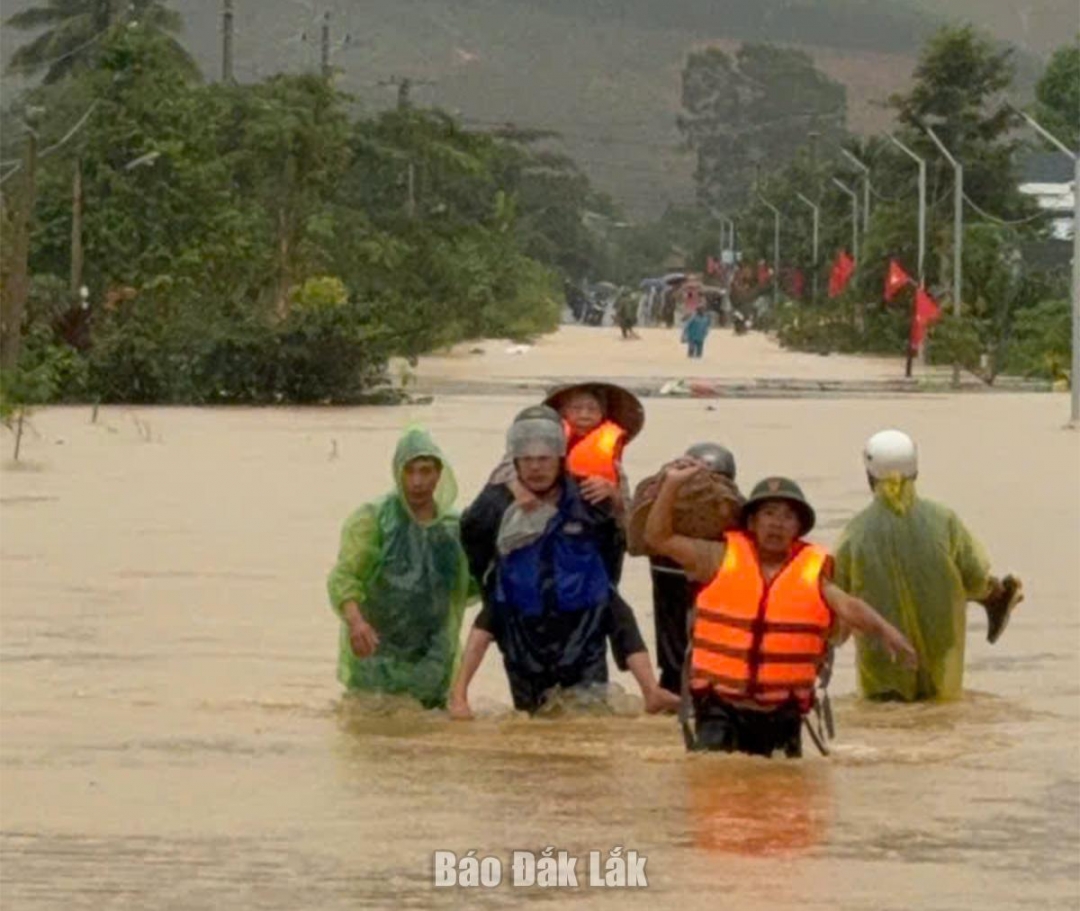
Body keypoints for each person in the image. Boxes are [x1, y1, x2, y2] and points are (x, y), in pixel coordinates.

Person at [644, 468, 917, 757]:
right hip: (719, 707)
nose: (777, 524)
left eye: (788, 516)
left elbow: (848, 606)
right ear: (751, 521)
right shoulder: (717, 558)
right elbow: (658, 539)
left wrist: (886, 631)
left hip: (781, 714)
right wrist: (672, 485)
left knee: (783, 794)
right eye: (769, 513)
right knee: (712, 780)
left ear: (798, 528)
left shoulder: (812, 573)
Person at [449, 406, 676, 718]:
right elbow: (473, 542)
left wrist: (616, 499)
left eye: (544, 459)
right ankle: (458, 695)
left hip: (582, 631)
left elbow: (622, 544)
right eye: (527, 460)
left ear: (560, 458)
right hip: (524, 634)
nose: (536, 468)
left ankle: (651, 691)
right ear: (515, 463)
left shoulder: (589, 495)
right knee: (536, 729)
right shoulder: (496, 502)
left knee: (610, 605)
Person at [833, 429, 1024, 702]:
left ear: (869, 476)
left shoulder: (854, 533)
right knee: (941, 717)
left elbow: (835, 601)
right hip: (943, 665)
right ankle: (998, 599)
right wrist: (989, 592)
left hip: (882, 668)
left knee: (884, 722)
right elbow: (974, 576)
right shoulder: (943, 521)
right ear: (916, 472)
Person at [326, 426, 474, 710]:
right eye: (409, 472)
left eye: (425, 471)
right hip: (376, 646)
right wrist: (356, 622)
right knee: (371, 731)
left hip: (432, 653)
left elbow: (473, 585)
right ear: (397, 473)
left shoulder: (455, 529)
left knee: (428, 738)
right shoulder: (374, 519)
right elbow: (345, 577)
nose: (417, 482)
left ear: (439, 473)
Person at [627, 443, 743, 696]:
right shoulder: (733, 544)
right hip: (710, 669)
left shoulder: (664, 543)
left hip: (690, 668)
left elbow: (643, 534)